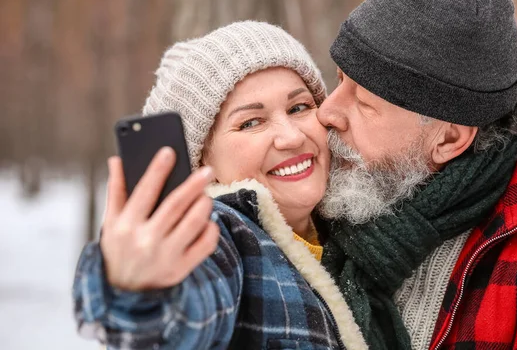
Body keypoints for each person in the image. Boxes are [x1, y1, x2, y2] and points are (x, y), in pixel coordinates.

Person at [314, 0, 517, 349]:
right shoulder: (316, 196)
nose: (327, 112)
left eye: (363, 103)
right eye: (339, 79)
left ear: (448, 139)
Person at [72, 21, 367, 350]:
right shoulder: (220, 233)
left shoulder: (356, 219)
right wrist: (140, 292)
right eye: (251, 122)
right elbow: (182, 321)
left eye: (298, 108)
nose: (292, 136)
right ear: (202, 163)